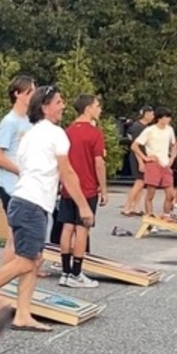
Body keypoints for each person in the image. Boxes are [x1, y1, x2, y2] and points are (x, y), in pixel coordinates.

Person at [0, 85, 88, 333]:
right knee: (26, 261)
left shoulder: (30, 135)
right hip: (31, 203)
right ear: (45, 107)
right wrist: (83, 206)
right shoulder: (55, 133)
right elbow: (67, 172)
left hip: (24, 201)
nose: (63, 106)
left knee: (33, 259)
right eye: (59, 102)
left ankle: (23, 315)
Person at [55, 95, 105, 288]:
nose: (99, 109)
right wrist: (104, 188)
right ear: (87, 109)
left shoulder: (66, 132)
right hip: (87, 187)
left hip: (68, 186)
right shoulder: (94, 133)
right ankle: (77, 273)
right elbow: (98, 163)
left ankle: (65, 272)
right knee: (82, 229)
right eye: (97, 106)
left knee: (67, 227)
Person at [0, 76, 36, 213]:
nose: (34, 95)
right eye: (30, 91)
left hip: (27, 187)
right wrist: (21, 171)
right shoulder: (10, 121)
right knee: (16, 230)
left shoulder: (30, 121)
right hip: (11, 187)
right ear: (17, 94)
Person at [133, 108, 177, 217]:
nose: (168, 119)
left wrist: (172, 158)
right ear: (159, 118)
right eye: (165, 117)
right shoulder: (150, 130)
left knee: (170, 194)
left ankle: (166, 215)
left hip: (165, 163)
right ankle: (150, 216)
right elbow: (134, 146)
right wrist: (145, 158)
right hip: (153, 163)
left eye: (169, 117)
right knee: (151, 193)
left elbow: (174, 145)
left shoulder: (169, 129)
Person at [119, 106, 154, 215]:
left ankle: (136, 207)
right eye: (152, 114)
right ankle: (127, 207)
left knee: (141, 182)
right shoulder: (137, 127)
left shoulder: (145, 127)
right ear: (146, 114)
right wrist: (140, 162)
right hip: (137, 157)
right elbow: (135, 146)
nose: (153, 117)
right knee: (139, 182)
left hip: (144, 156)